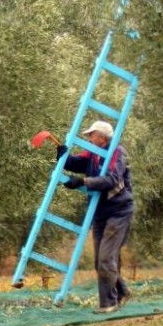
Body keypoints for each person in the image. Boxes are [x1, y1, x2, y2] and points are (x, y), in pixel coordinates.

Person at [57, 120, 133, 314]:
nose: (89, 138)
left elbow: (111, 180)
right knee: (100, 260)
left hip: (118, 212)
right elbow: (76, 162)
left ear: (102, 137)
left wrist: (83, 181)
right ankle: (122, 291)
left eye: (91, 135)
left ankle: (109, 303)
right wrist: (62, 155)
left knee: (106, 259)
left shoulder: (117, 152)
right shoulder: (93, 153)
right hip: (99, 213)